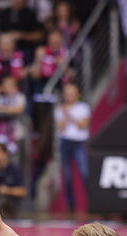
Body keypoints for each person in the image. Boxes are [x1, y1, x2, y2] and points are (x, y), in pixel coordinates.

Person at [54, 82, 90, 214]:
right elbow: (61, 127)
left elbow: (82, 125)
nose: (69, 96)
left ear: (77, 94)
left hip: (79, 143)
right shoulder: (59, 109)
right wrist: (65, 114)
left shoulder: (83, 107)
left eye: (72, 93)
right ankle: (71, 205)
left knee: (84, 173)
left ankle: (92, 203)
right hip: (65, 142)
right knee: (67, 175)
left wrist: (69, 115)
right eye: (67, 94)